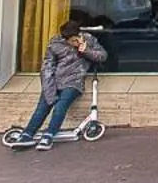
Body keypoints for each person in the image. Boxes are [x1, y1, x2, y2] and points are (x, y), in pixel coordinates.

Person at [20, 19, 105, 150]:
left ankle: (49, 135)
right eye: (70, 41)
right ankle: (27, 134)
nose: (73, 43)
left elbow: (102, 56)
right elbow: (47, 66)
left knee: (60, 106)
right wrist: (48, 86)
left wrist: (86, 51)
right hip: (54, 81)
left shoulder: (89, 40)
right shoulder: (55, 43)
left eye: (75, 39)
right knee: (43, 107)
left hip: (74, 81)